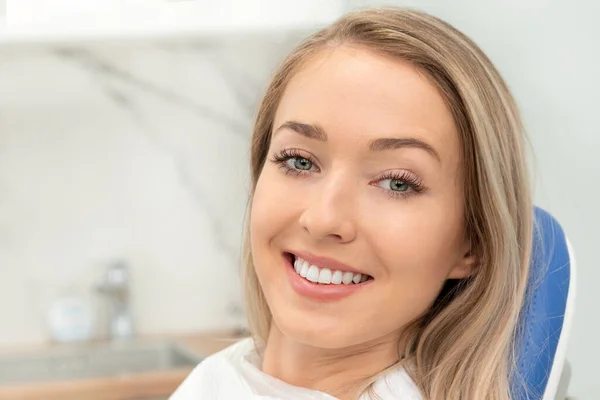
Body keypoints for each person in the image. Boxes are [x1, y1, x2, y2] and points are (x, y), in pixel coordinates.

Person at [170, 6, 533, 400]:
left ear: (473, 242)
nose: (324, 218)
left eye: (396, 183)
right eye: (300, 161)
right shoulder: (221, 378)